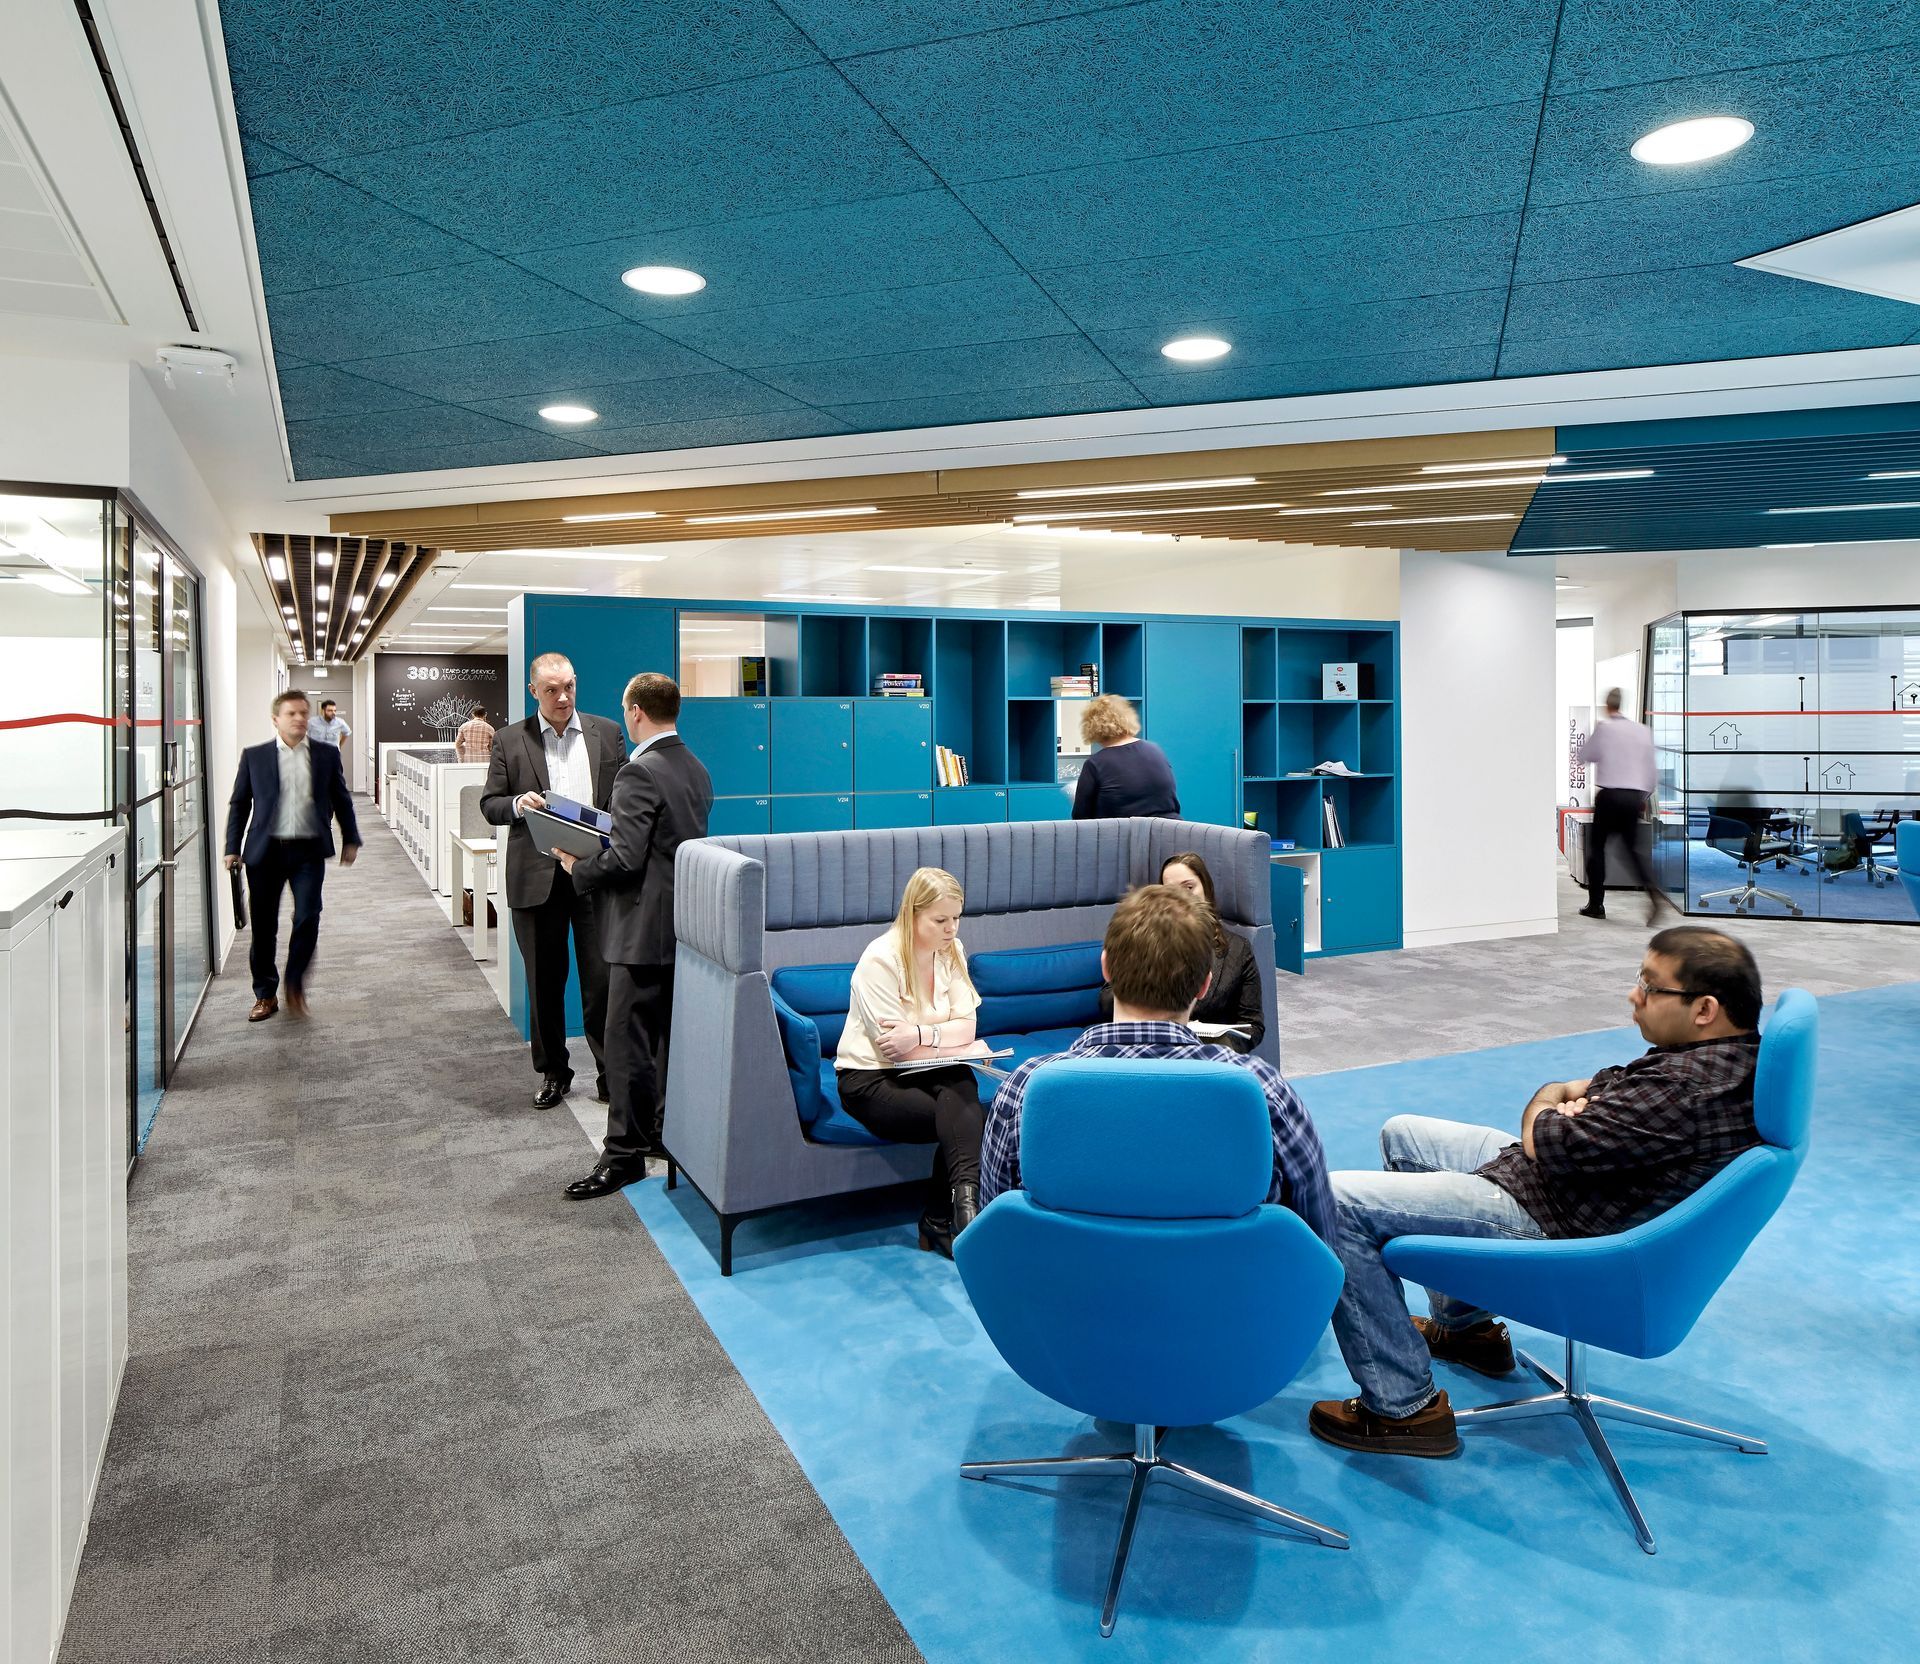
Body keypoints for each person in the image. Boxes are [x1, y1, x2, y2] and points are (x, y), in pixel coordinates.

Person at [1309, 926, 1765, 1459]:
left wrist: (1550, 1106)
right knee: (1403, 1134)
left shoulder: (1685, 1091)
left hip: (1552, 1219)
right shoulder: (1712, 1056)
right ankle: (1465, 1330)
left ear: (1705, 1008)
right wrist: (1560, 1107)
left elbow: (1547, 1134)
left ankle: (1403, 1406)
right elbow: (1594, 1088)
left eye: (1649, 985)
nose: (1633, 995)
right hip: (1565, 1186)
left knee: (1338, 1200)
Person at [981, 884, 1334, 1245]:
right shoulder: (1263, 1091)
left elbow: (997, 1239)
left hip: (1072, 1296)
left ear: (1106, 968)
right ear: (1203, 985)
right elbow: (1318, 1236)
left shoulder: (1025, 1089)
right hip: (1227, 1295)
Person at [556, 672, 712, 1200]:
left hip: (639, 933)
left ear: (636, 712)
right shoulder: (695, 768)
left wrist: (577, 864)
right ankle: (662, 1138)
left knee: (626, 1046)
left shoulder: (637, 772)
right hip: (682, 930)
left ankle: (622, 1155)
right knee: (663, 1044)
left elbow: (625, 858)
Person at [480, 653, 628, 1110]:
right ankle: (553, 1072)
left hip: (593, 876)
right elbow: (490, 804)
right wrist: (517, 806)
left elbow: (624, 799)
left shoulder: (606, 733)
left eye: (569, 687)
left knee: (601, 981)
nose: (563, 697)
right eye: (551, 690)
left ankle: (610, 1073)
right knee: (543, 981)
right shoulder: (509, 739)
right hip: (536, 876)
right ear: (534, 692)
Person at [834, 868, 993, 1257]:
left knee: (961, 1090)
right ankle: (953, 1219)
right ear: (912, 914)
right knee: (964, 1121)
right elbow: (896, 1053)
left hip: (930, 1069)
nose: (951, 929)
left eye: (956, 918)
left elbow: (968, 1026)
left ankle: (959, 1211)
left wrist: (921, 1036)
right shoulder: (880, 960)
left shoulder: (951, 951)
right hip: (870, 1078)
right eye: (940, 920)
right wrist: (951, 1044)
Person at [223, 689, 360, 1022]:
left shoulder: (327, 755)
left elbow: (341, 799)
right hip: (264, 853)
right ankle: (265, 994)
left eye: (303, 713)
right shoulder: (255, 756)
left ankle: (295, 983)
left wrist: (350, 837)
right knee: (264, 927)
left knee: (308, 916)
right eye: (291, 714)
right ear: (275, 720)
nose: (299, 719)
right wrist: (231, 847)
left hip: (307, 852)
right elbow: (240, 803)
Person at [1097, 852, 1266, 1054]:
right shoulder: (1142, 939)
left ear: (1206, 889)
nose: (1181, 897)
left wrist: (1216, 1050)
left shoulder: (1239, 950)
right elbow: (1107, 998)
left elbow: (1252, 1025)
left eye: (1188, 887)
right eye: (1170, 890)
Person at [1580, 687, 1672, 925]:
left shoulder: (1605, 728)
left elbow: (1585, 755)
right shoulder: (1642, 731)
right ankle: (1653, 895)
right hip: (1633, 798)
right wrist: (1642, 797)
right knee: (1632, 851)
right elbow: (1651, 772)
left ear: (1607, 706)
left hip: (1609, 796)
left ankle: (1596, 904)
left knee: (1596, 849)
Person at [1071, 694, 1180, 819]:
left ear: (1091, 726)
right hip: (1171, 831)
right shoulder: (1155, 750)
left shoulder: (1096, 763)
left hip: (1123, 834)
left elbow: (1081, 818)